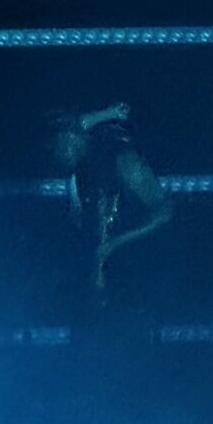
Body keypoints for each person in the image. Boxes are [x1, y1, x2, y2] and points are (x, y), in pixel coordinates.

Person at [49, 101, 173, 295]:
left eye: (63, 142)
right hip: (100, 287)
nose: (59, 152)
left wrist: (116, 243)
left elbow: (165, 212)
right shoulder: (79, 178)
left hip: (139, 280)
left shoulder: (125, 162)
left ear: (77, 138)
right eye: (55, 146)